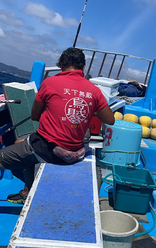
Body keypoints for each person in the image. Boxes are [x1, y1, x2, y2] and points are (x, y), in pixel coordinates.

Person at [0, 47, 115, 204]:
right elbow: (110, 119)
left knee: (23, 148)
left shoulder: (50, 83)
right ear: (83, 67)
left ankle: (28, 189)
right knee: (21, 143)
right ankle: (27, 191)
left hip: (48, 150)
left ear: (61, 65)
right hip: (75, 151)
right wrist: (90, 110)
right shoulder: (94, 91)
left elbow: (34, 116)